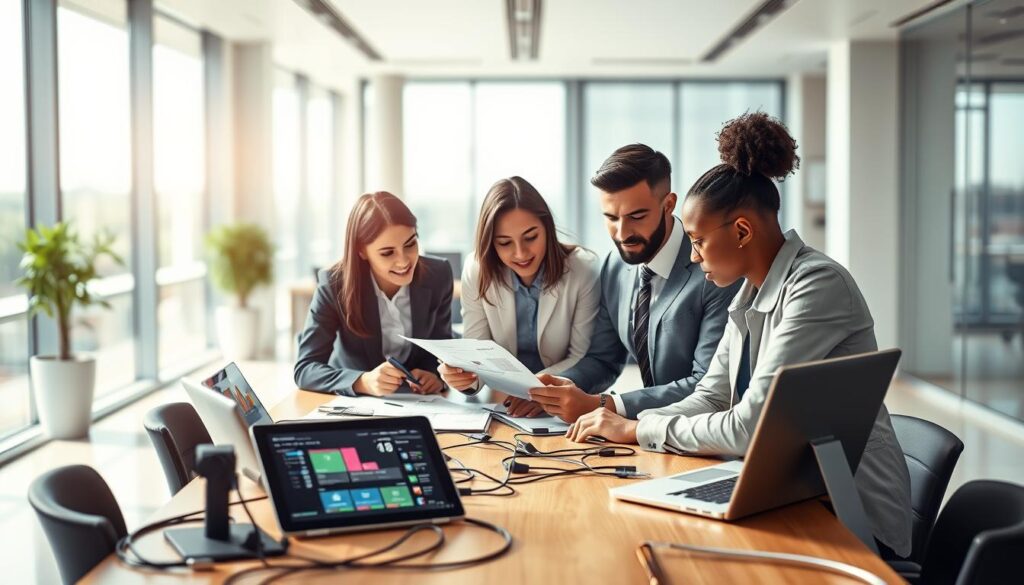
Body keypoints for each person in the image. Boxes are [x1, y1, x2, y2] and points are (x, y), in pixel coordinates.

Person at [564, 112, 913, 558]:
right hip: (791, 489)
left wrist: (638, 428)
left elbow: (749, 426)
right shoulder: (747, 293)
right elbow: (711, 397)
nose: (693, 255)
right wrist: (624, 427)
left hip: (852, 520)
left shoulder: (817, 285)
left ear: (743, 231)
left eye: (698, 241)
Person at [527, 144, 740, 423]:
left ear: (669, 205)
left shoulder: (714, 269)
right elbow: (603, 359)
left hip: (703, 432)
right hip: (647, 435)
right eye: (611, 218)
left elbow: (706, 386)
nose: (622, 233)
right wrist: (551, 389)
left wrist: (603, 404)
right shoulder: (614, 267)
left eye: (636, 217)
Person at [439, 177, 600, 417]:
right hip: (503, 404)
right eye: (504, 243)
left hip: (564, 402)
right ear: (491, 244)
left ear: (547, 228)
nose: (520, 253)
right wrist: (463, 378)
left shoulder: (583, 269)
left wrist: (536, 391)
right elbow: (477, 351)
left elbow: (580, 356)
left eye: (530, 237)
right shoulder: (477, 268)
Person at [294, 191, 452, 396]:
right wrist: (362, 381)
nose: (404, 261)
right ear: (361, 251)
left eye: (410, 244)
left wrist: (435, 375)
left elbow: (441, 348)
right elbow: (305, 369)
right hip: (357, 404)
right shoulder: (334, 285)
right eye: (387, 253)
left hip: (419, 402)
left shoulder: (438, 275)